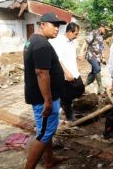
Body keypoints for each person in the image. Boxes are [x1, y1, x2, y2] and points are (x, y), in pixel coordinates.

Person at [23, 12, 67, 169]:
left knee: (46, 130)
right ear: (42, 25)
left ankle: (49, 159)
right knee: (44, 134)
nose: (57, 29)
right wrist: (48, 101)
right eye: (53, 25)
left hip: (41, 96)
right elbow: (41, 73)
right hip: (43, 99)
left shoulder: (33, 40)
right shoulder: (41, 44)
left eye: (58, 26)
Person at [50, 22, 85, 121]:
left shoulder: (72, 41)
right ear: (69, 32)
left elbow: (70, 55)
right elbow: (58, 59)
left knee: (80, 89)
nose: (76, 36)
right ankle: (69, 115)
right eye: (76, 33)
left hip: (74, 71)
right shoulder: (59, 41)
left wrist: (78, 57)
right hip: (65, 74)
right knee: (68, 94)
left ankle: (64, 103)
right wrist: (66, 72)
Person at [84, 23, 107, 95]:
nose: (106, 31)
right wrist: (81, 52)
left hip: (97, 57)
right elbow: (86, 41)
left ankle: (85, 86)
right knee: (97, 69)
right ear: (101, 27)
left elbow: (102, 47)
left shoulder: (101, 36)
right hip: (91, 55)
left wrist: (103, 57)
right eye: (105, 29)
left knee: (94, 71)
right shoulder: (93, 33)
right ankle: (101, 88)